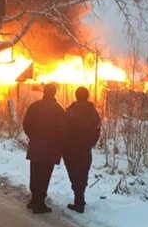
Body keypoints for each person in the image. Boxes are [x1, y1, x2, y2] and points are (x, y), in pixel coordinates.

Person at [23, 83, 64, 214]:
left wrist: (33, 136)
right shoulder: (58, 110)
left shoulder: (34, 107)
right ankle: (39, 204)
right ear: (54, 93)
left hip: (36, 145)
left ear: (44, 92)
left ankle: (34, 200)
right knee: (45, 175)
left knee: (35, 173)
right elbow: (62, 130)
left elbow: (26, 124)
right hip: (50, 148)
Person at [62, 86, 101, 213]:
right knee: (83, 173)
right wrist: (90, 143)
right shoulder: (93, 112)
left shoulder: (70, 111)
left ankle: (79, 202)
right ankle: (80, 199)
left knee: (74, 174)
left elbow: (63, 129)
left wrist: (64, 145)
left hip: (71, 149)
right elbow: (97, 130)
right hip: (85, 149)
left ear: (76, 95)